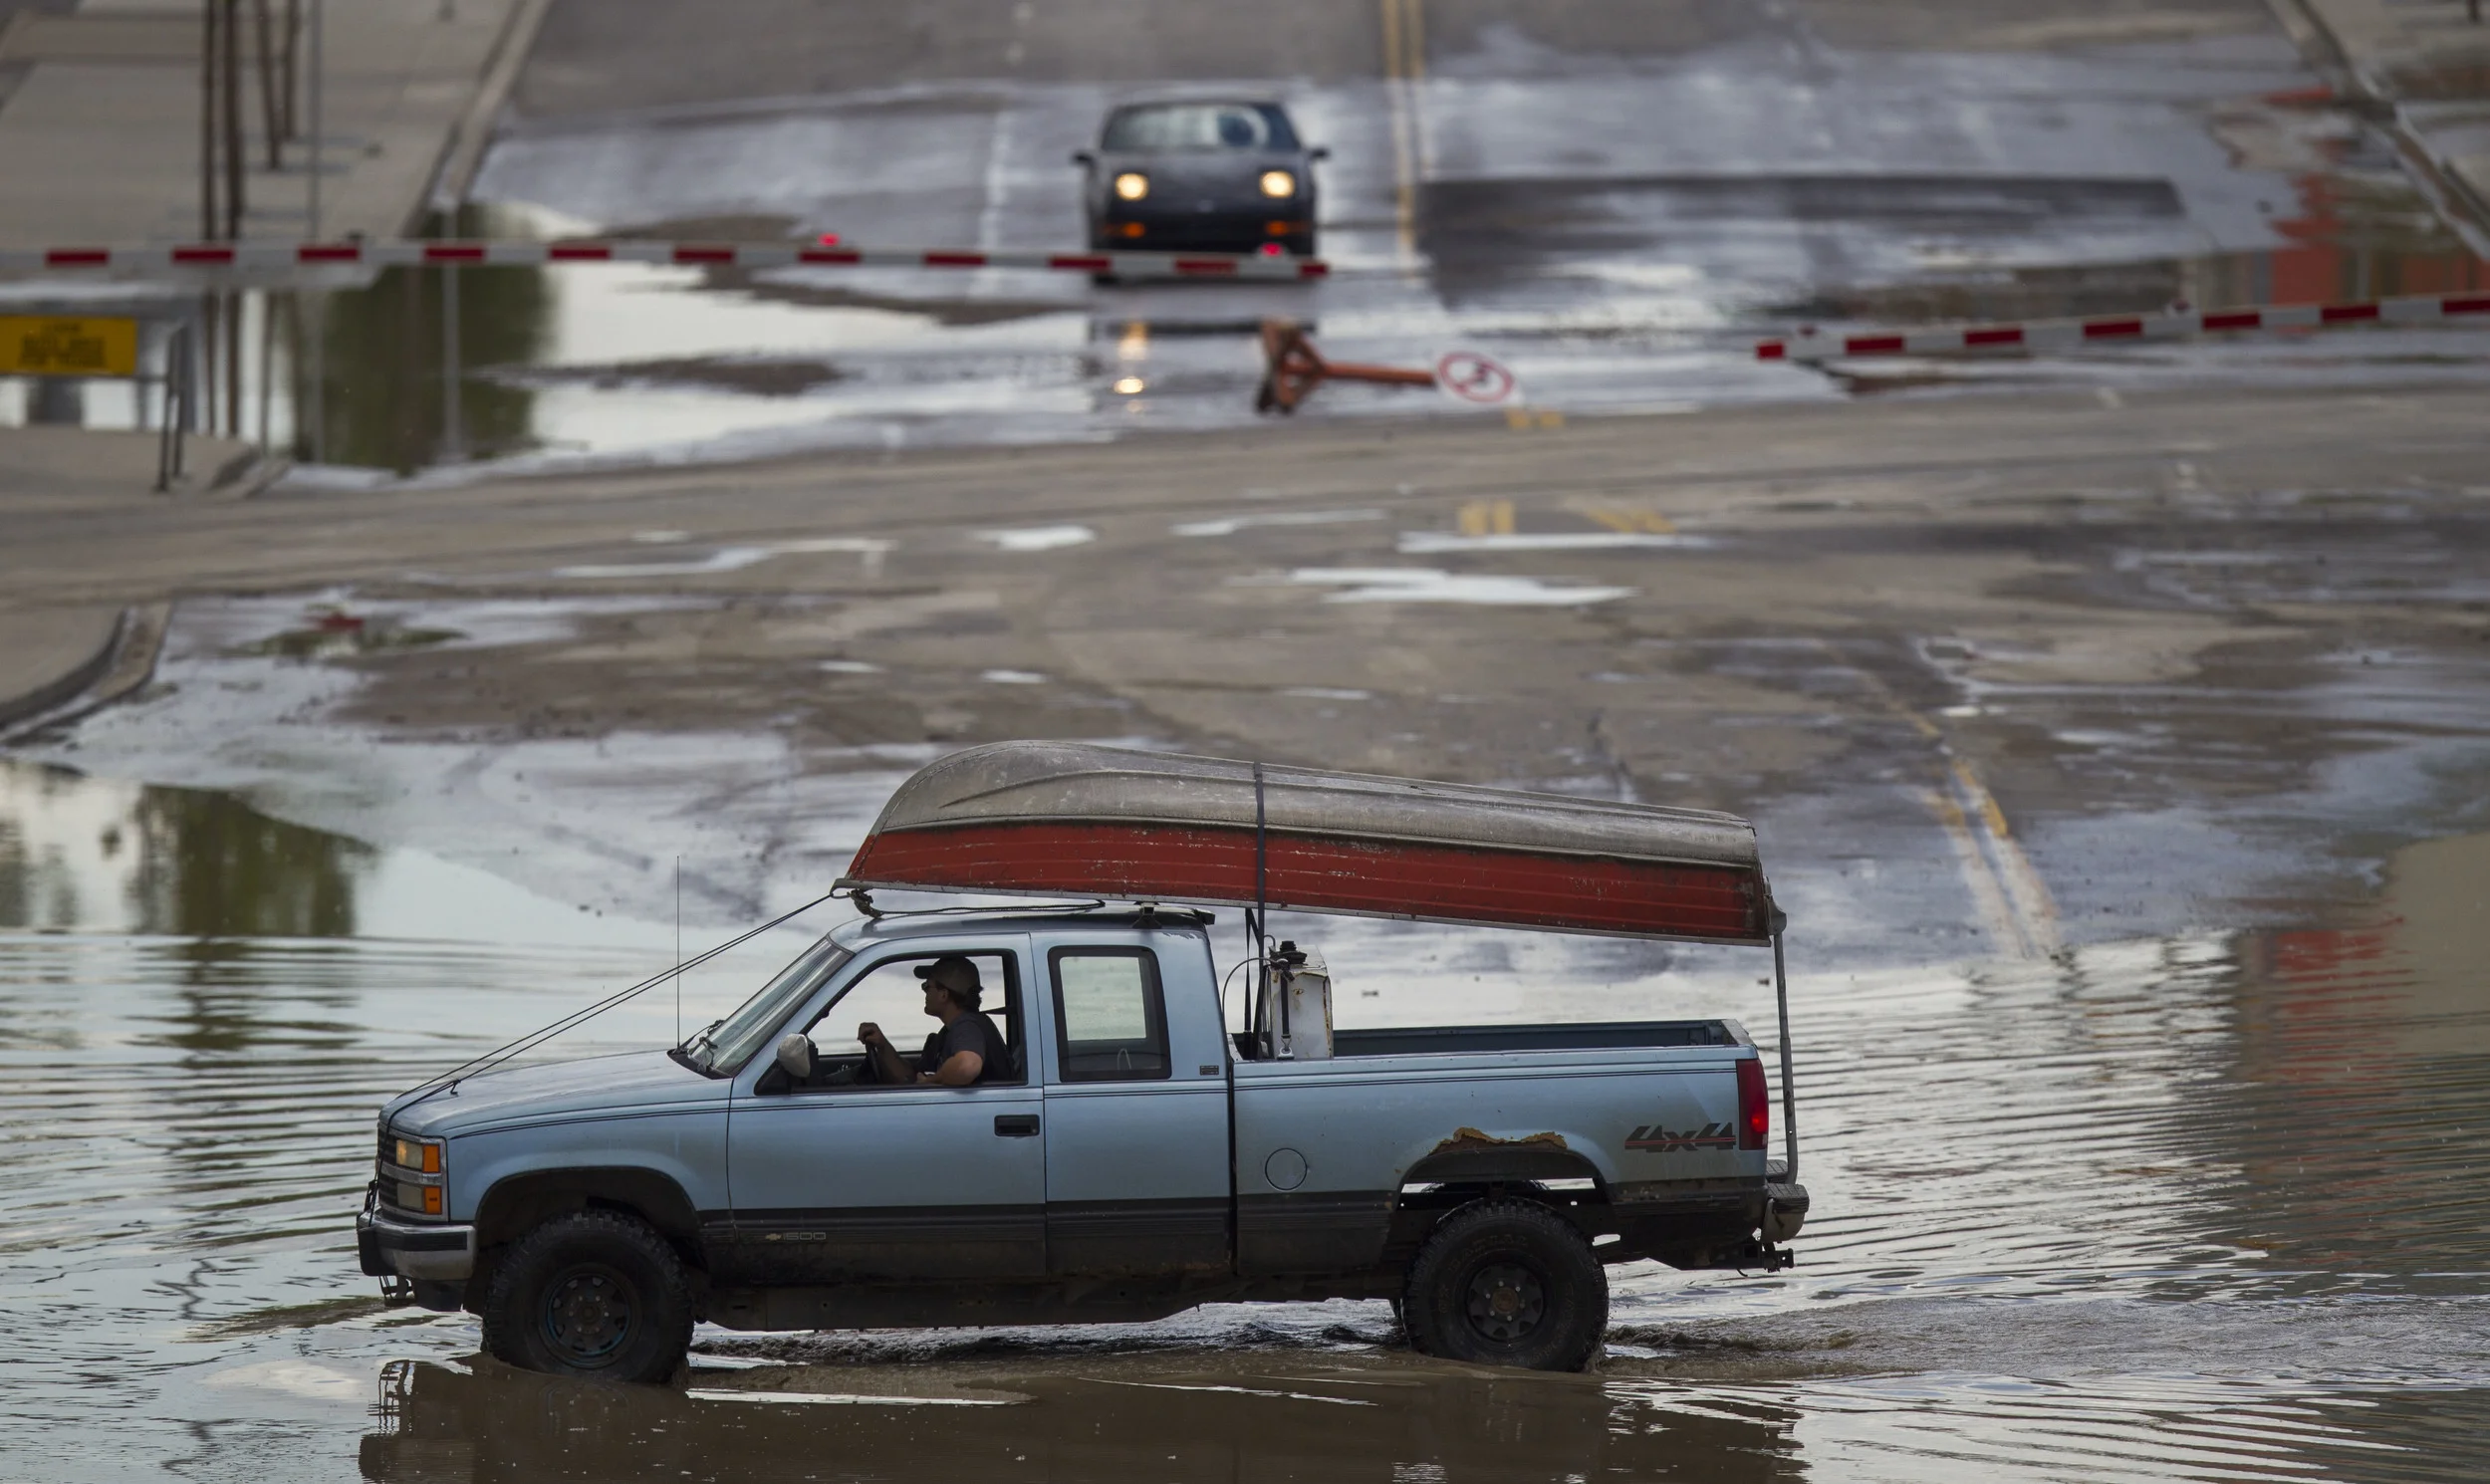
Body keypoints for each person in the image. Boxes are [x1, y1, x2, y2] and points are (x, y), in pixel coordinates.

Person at [859, 955, 1008, 1086]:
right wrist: (882, 1045)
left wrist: (932, 1081)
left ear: (943, 995)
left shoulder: (968, 1027)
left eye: (927, 986)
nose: (924, 991)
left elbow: (967, 1066)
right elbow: (911, 1078)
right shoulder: (948, 1032)